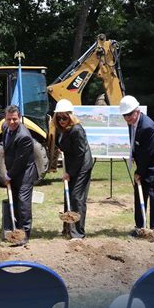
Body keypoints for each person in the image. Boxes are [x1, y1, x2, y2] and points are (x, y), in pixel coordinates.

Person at [120, 95, 154, 236]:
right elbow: (136, 145)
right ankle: (140, 228)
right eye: (124, 115)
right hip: (145, 162)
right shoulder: (132, 123)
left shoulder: (147, 127)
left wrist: (139, 172)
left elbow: (146, 154)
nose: (127, 118)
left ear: (137, 110)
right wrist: (134, 157)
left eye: (129, 114)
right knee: (139, 194)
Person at [53, 99, 93, 240]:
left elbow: (80, 154)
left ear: (71, 116)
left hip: (82, 165)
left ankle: (78, 233)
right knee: (68, 194)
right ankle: (67, 228)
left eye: (64, 117)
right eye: (59, 117)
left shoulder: (77, 129)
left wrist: (70, 173)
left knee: (77, 197)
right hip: (71, 162)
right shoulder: (60, 129)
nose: (62, 120)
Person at [2, 105, 38, 246]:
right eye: (9, 119)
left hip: (25, 173)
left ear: (20, 118)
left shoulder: (24, 137)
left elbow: (20, 161)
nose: (12, 122)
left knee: (23, 203)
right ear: (5, 118)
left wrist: (8, 175)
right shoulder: (5, 128)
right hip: (14, 171)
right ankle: (16, 230)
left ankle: (25, 234)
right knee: (15, 202)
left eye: (15, 119)